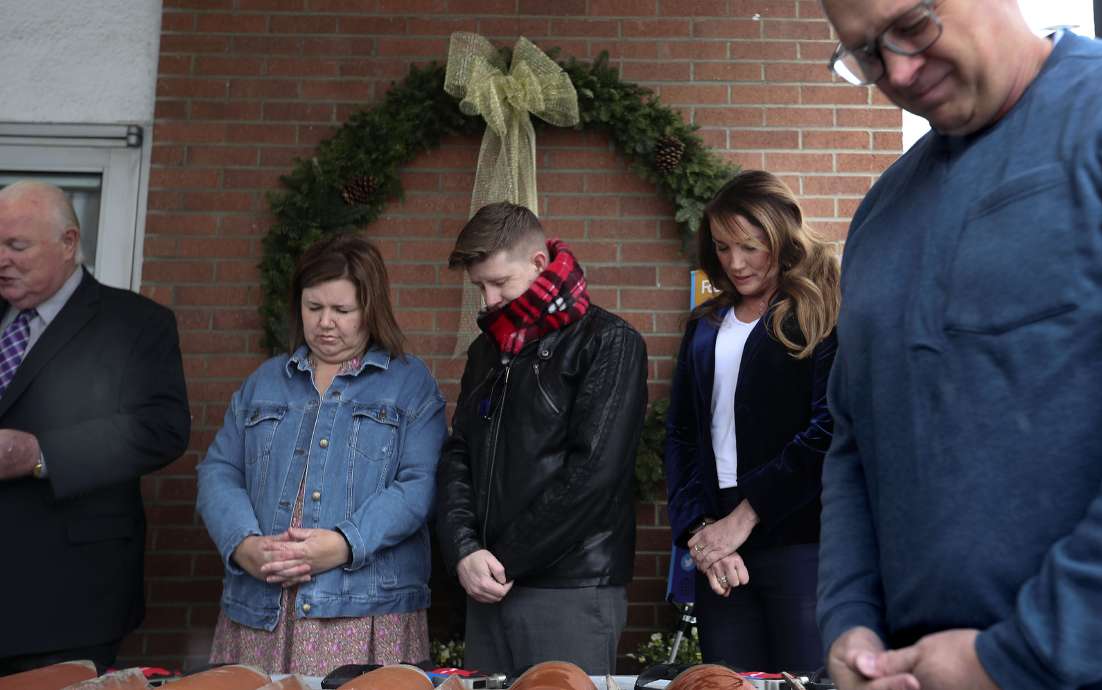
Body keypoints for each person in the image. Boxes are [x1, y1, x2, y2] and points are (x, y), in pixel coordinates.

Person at [814, 1, 1102, 688]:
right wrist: (850, 624)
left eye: (912, 28)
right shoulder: (881, 214)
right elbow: (854, 443)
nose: (900, 70)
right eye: (865, 56)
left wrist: (1018, 656)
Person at [196, 233, 446, 676]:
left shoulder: (410, 384)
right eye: (314, 308)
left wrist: (345, 543)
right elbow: (219, 470)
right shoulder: (264, 382)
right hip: (261, 605)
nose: (325, 322)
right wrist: (243, 545)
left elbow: (418, 486)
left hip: (363, 608)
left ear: (372, 309)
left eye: (342, 310)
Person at [436, 201, 647, 675]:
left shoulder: (608, 342)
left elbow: (595, 473)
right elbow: (458, 455)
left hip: (570, 587)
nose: (488, 300)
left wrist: (502, 560)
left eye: (499, 283)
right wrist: (465, 552)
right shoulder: (486, 350)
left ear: (538, 264)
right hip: (488, 585)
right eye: (479, 287)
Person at [0, 181, 190, 675]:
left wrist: (41, 453)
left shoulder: (136, 323)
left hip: (65, 596)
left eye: (16, 246)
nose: (1, 259)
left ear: (68, 243)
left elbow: (162, 429)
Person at [664, 170, 840, 671]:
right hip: (716, 543)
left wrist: (744, 519)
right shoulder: (706, 322)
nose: (735, 263)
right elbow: (679, 434)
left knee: (802, 681)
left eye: (749, 246)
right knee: (728, 682)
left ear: (780, 239)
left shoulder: (817, 311)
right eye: (721, 248)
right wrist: (703, 531)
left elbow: (828, 429)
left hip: (801, 539)